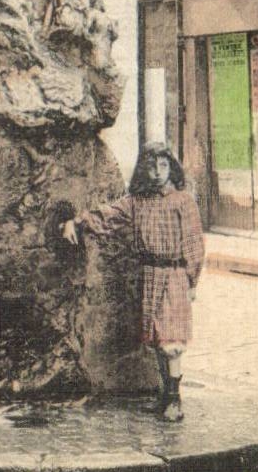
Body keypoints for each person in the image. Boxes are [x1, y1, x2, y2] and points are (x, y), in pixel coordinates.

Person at [62, 147, 204, 422]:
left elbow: (194, 242)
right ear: (143, 170)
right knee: (156, 339)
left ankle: (174, 400)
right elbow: (106, 217)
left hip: (174, 273)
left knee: (171, 341)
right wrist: (75, 222)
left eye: (163, 166)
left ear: (171, 168)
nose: (157, 172)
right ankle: (165, 393)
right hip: (149, 273)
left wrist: (192, 280)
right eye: (152, 167)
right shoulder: (136, 202)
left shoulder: (183, 202)